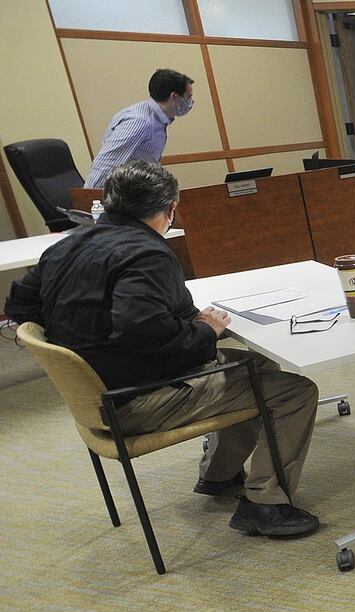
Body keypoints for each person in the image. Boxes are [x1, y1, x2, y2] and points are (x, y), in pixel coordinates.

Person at [5, 161, 322, 538]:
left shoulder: (67, 245)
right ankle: (265, 504)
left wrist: (87, 330)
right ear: (170, 209)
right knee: (295, 391)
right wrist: (205, 330)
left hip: (95, 396)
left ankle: (219, 474)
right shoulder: (148, 253)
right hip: (135, 400)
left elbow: (21, 308)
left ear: (108, 204)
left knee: (257, 365)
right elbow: (145, 332)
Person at [83, 69, 196, 189]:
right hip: (119, 197)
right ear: (174, 96)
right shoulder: (141, 121)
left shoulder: (157, 120)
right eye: (188, 97)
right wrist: (88, 201)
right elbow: (107, 163)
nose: (190, 103)